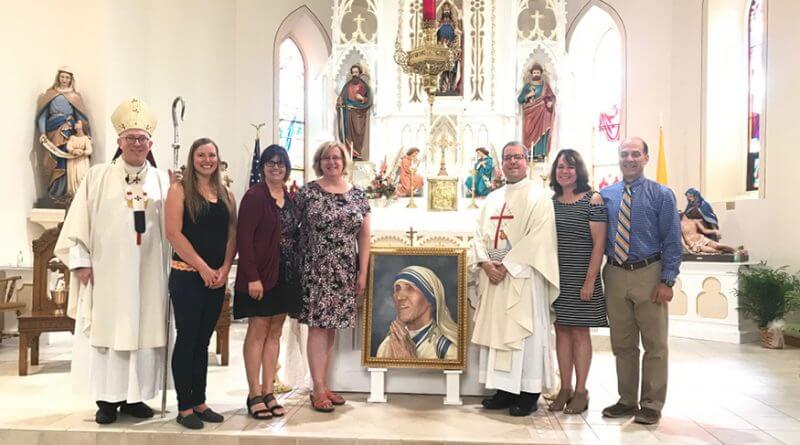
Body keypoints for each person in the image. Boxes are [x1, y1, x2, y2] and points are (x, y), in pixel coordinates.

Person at [54, 97, 169, 424]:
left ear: (151, 144)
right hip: (107, 274)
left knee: (143, 331)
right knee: (108, 333)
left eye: (142, 139)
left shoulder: (161, 181)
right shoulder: (97, 176)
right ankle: (107, 400)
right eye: (130, 138)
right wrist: (80, 262)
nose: (136, 144)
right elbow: (77, 225)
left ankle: (136, 398)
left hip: (149, 274)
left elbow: (174, 229)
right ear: (119, 142)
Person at [471, 141, 560, 417]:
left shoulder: (539, 196)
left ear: (526, 161)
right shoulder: (493, 198)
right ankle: (504, 390)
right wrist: (486, 263)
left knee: (525, 333)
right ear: (502, 164)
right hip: (494, 275)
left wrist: (506, 266)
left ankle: (528, 392)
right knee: (499, 333)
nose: (512, 162)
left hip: (523, 275)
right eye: (508, 158)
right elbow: (477, 233)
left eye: (518, 157)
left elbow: (539, 237)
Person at [599, 137, 682, 425]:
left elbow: (672, 240)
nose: (629, 159)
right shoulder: (606, 195)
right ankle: (626, 400)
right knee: (622, 343)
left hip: (649, 273)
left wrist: (667, 280)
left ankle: (651, 403)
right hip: (615, 272)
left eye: (636, 154)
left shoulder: (662, 195)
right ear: (619, 159)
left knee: (655, 343)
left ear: (646, 158)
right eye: (624, 154)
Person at [165, 138, 236, 429]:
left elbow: (233, 235)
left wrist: (224, 268)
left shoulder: (226, 194)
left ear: (218, 159)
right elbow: (173, 234)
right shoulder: (179, 190)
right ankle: (184, 407)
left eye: (212, 155)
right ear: (192, 159)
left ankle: (200, 401)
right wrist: (204, 268)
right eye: (201, 155)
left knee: (203, 341)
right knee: (188, 338)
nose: (207, 160)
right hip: (187, 277)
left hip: (216, 279)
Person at [296, 141, 371, 412]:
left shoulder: (358, 195)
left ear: (344, 162)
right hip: (316, 268)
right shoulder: (307, 192)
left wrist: (362, 271)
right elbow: (294, 229)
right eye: (326, 158)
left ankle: (324, 384)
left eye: (336, 158)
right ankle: (317, 389)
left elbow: (364, 236)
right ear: (320, 162)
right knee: (318, 327)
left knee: (330, 329)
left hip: (343, 269)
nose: (331, 162)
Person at [234, 144, 302, 420]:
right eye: (271, 163)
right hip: (261, 274)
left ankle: (268, 389)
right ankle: (253, 394)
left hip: (285, 275)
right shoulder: (254, 196)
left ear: (286, 168)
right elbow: (244, 239)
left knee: (275, 333)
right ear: (262, 167)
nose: (276, 167)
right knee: (258, 332)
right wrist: (252, 277)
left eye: (281, 163)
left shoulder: (290, 197)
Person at [547, 149, 608, 414]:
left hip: (583, 276)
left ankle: (582, 391)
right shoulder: (551, 201)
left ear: (579, 170)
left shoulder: (592, 200)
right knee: (561, 331)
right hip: (557, 277)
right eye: (560, 167)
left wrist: (590, 281)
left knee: (580, 333)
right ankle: (565, 388)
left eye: (570, 167)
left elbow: (599, 244)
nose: (565, 171)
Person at [376, 266, 458, 360]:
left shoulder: (446, 349)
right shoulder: (387, 345)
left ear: (430, 298)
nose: (399, 297)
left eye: (410, 288)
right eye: (397, 289)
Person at [36, 67, 92, 200]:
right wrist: (43, 132)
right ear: (58, 77)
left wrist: (85, 133)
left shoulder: (75, 96)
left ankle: (64, 191)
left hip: (68, 129)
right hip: (52, 130)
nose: (64, 80)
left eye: (67, 77)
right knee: (49, 159)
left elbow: (80, 117)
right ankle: (53, 190)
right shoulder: (50, 94)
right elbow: (42, 116)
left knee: (66, 159)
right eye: (62, 77)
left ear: (71, 79)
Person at [517, 64, 556, 160]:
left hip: (542, 112)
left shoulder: (545, 86)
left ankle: (541, 153)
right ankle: (529, 153)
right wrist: (528, 95)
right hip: (530, 114)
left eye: (538, 72)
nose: (536, 74)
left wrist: (550, 102)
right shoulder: (527, 86)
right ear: (531, 74)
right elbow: (520, 99)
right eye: (534, 72)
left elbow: (552, 97)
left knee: (544, 129)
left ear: (541, 73)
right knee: (528, 131)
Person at [336, 65, 372, 160]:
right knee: (348, 135)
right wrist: (340, 101)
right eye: (353, 72)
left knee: (358, 132)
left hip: (359, 114)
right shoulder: (347, 86)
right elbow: (341, 98)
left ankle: (357, 152)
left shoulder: (364, 86)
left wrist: (362, 98)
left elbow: (369, 101)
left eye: (356, 72)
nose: (354, 74)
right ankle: (349, 153)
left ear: (359, 73)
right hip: (348, 113)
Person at [65, 120, 93, 195]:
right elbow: (68, 147)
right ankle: (74, 197)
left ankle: (82, 197)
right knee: (73, 180)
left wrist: (82, 152)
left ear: (82, 126)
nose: (75, 124)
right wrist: (73, 151)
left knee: (81, 178)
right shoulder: (72, 137)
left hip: (82, 161)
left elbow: (89, 150)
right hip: (72, 161)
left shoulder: (86, 138)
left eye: (78, 123)